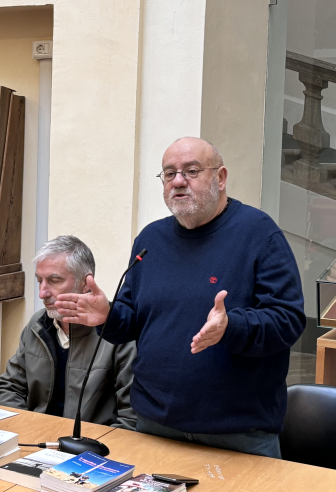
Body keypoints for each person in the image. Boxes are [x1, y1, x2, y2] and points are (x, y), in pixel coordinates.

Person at [56, 137, 306, 458]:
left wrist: (231, 326)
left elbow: (288, 320)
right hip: (154, 424)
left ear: (220, 177)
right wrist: (107, 316)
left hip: (237, 433)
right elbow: (132, 321)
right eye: (169, 173)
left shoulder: (259, 233)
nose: (177, 181)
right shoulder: (150, 240)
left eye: (191, 171)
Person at [0, 236, 136, 430]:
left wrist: (90, 450)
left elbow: (131, 419)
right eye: (39, 281)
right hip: (36, 443)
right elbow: (10, 388)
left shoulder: (118, 335)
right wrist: (27, 430)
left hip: (91, 452)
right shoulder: (37, 325)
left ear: (86, 283)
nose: (42, 293)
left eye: (54, 281)